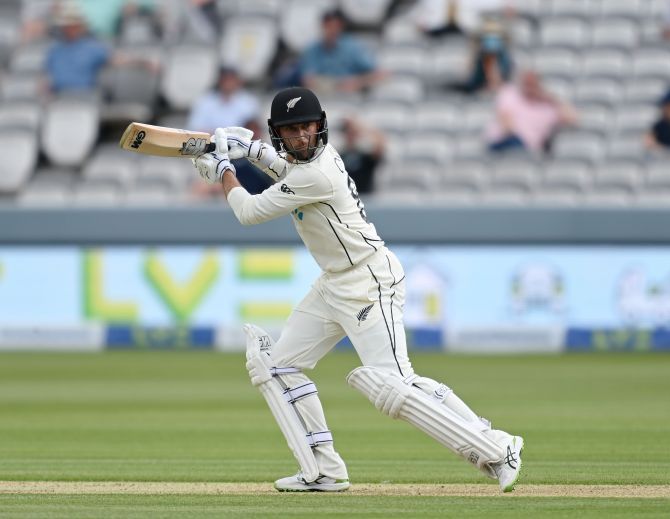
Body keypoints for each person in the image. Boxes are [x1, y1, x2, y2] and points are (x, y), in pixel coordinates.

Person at [190, 86, 524, 493]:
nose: (300, 137)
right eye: (291, 131)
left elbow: (248, 211)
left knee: (393, 385)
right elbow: (288, 171)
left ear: (320, 127)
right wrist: (254, 152)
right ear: (280, 134)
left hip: (368, 283)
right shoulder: (307, 165)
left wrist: (226, 169)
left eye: (306, 128)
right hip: (333, 284)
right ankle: (324, 470)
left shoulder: (319, 171)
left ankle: (496, 447)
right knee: (276, 367)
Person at [187, 67, 271, 197]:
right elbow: (196, 133)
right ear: (220, 81)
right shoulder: (206, 102)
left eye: (231, 79)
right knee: (201, 185)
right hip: (210, 152)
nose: (228, 83)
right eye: (225, 79)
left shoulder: (248, 102)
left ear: (237, 81)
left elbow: (253, 131)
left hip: (241, 156)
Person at [485, 70, 578, 153]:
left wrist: (553, 99)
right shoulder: (509, 93)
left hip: (527, 148)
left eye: (532, 83)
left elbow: (572, 119)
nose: (528, 86)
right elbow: (506, 122)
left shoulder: (548, 108)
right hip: (504, 141)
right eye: (526, 82)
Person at [299, 8, 387, 95]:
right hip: (323, 99)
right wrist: (336, 85)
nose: (332, 30)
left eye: (336, 26)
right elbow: (308, 80)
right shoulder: (312, 50)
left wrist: (357, 82)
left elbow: (379, 74)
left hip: (351, 101)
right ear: (323, 26)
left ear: (341, 27)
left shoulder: (353, 48)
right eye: (328, 26)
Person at [337, 116, 386, 194]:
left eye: (353, 133)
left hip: (366, 199)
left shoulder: (365, 156)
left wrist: (363, 128)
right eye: (348, 133)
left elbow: (380, 147)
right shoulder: (339, 156)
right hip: (346, 199)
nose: (351, 136)